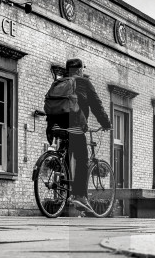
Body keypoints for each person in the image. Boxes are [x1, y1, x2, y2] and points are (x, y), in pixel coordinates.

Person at [46, 58, 111, 214]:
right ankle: (79, 195)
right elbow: (96, 104)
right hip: (74, 124)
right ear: (81, 69)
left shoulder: (58, 83)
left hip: (55, 125)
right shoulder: (84, 82)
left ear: (68, 70)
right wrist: (106, 123)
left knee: (67, 154)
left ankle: (64, 189)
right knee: (82, 158)